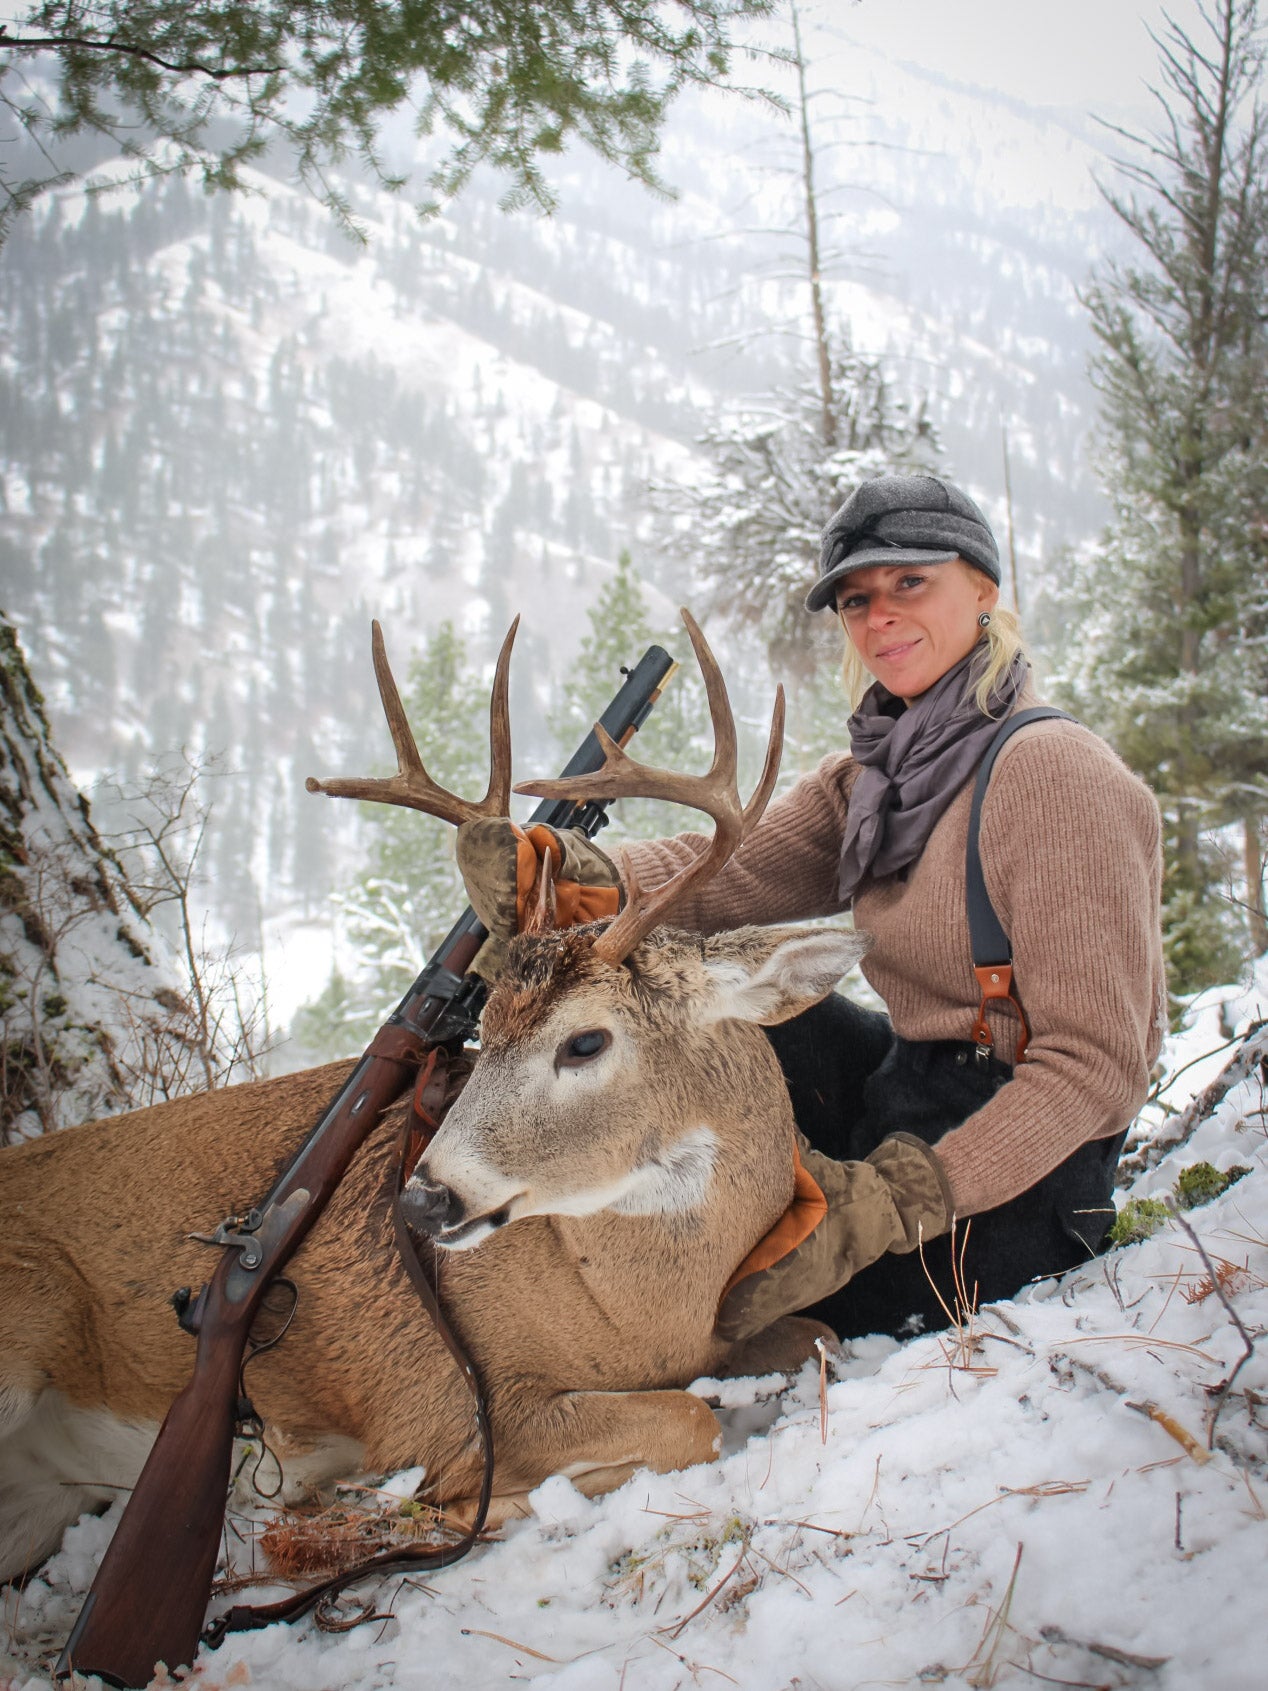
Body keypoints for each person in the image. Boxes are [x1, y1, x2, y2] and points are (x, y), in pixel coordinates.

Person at [458, 474, 1166, 1343]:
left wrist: (893, 1201)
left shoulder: (1056, 776)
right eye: (857, 599)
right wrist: (578, 885)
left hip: (1029, 1151)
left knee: (793, 1305)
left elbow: (1098, 1067)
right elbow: (729, 876)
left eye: (911, 583)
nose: (880, 618)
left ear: (983, 588)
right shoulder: (876, 775)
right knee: (687, 1000)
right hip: (898, 1081)